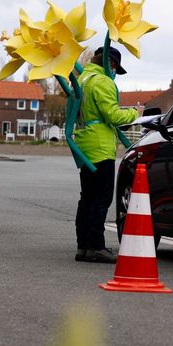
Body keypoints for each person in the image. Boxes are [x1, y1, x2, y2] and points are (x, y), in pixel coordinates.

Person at [72, 46, 141, 263]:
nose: (114, 72)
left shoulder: (83, 77)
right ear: (108, 63)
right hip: (100, 146)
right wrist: (135, 113)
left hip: (85, 144)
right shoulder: (102, 82)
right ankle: (96, 246)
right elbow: (112, 114)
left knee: (87, 198)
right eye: (114, 67)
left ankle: (83, 246)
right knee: (101, 199)